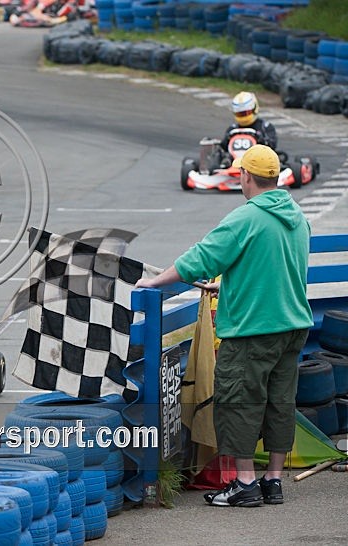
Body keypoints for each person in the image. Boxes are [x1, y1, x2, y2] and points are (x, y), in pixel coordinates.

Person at [136, 145, 313, 507]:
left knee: (238, 402)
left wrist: (155, 282)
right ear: (276, 177)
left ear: (246, 176)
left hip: (253, 331)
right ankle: (273, 481)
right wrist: (229, 285)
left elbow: (200, 259)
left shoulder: (245, 218)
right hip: (293, 325)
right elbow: (276, 267)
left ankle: (244, 483)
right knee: (279, 402)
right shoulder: (295, 214)